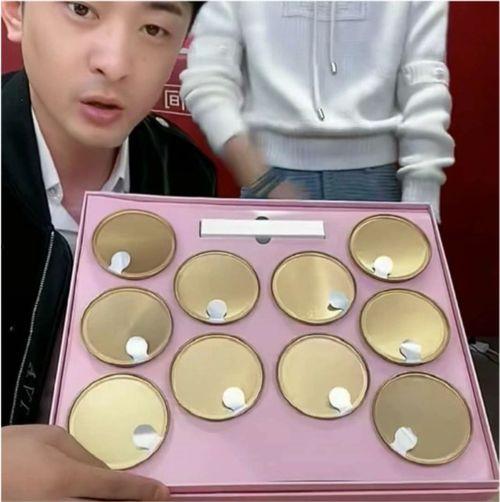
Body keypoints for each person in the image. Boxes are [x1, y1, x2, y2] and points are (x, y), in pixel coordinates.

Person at [2, 2, 212, 500]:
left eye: (154, 28)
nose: (115, 63)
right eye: (81, 8)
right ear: (14, 11)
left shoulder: (185, 173)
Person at [181, 1, 455, 221]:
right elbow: (208, 74)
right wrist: (254, 171)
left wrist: (422, 199)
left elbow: (423, 81)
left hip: (374, 182)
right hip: (269, 174)